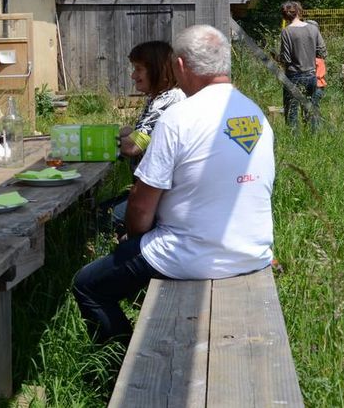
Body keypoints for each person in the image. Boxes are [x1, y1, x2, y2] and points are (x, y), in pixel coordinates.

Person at [73, 25, 276, 344]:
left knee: (88, 285)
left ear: (179, 66)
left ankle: (117, 369)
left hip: (194, 254)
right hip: (253, 251)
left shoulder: (180, 116)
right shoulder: (255, 114)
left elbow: (140, 208)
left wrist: (131, 241)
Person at [104, 41, 186, 230]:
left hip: (162, 198)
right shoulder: (165, 97)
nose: (133, 76)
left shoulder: (167, 100)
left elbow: (134, 146)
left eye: (138, 69)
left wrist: (91, 142)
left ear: (158, 70)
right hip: (161, 192)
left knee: (98, 218)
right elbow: (143, 135)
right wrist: (125, 133)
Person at [278, 1, 326, 130]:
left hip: (293, 76)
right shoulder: (313, 28)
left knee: (291, 111)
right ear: (299, 11)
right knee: (312, 109)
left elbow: (286, 59)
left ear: (285, 16)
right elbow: (322, 52)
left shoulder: (286, 32)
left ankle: (294, 142)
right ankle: (314, 138)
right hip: (311, 76)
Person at [307, 19, 327, 109]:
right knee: (311, 107)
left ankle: (314, 122)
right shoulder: (319, 58)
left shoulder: (317, 60)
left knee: (312, 108)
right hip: (316, 86)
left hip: (316, 86)